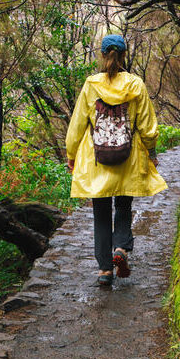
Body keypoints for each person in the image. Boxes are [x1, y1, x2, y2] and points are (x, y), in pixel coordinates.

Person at [66, 34, 167, 286]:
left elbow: (78, 124)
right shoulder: (135, 84)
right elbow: (147, 127)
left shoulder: (91, 85)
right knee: (123, 204)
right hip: (128, 157)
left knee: (100, 212)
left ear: (103, 55)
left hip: (96, 159)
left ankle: (104, 270)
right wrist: (152, 154)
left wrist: (71, 154)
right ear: (124, 56)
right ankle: (120, 248)